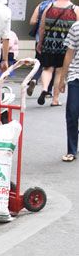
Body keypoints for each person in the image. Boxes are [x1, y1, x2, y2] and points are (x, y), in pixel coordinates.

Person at [31, 0, 79, 107]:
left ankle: (44, 89)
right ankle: (55, 99)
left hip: (49, 42)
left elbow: (42, 27)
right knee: (59, 71)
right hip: (65, 45)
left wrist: (40, 42)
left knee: (47, 69)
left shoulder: (49, 7)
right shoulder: (75, 9)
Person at [25, 0, 61, 98]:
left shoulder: (42, 4)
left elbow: (32, 21)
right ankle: (48, 91)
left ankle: (34, 79)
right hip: (56, 40)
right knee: (53, 65)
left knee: (39, 62)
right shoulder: (62, 6)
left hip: (40, 38)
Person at [52, 14, 79, 161]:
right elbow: (69, 53)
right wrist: (62, 78)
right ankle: (72, 150)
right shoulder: (76, 27)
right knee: (72, 113)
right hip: (76, 74)